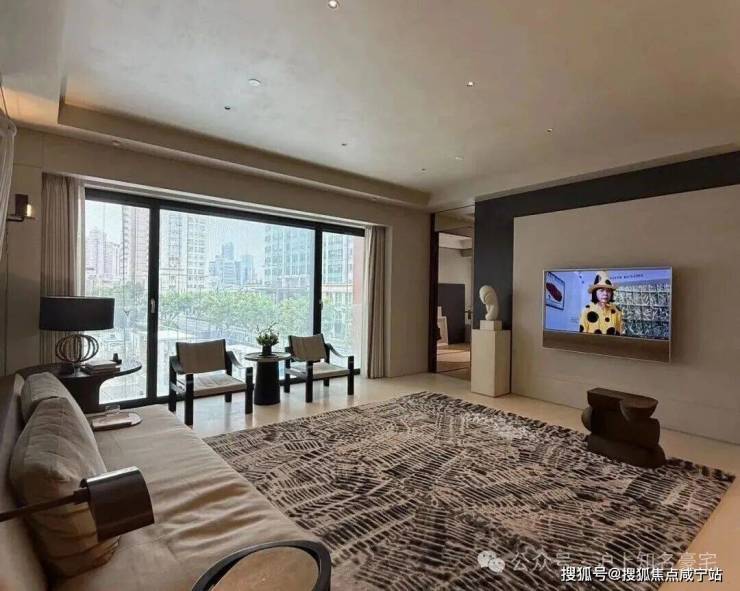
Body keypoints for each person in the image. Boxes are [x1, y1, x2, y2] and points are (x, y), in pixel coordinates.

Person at [579, 271, 623, 335]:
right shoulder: (586, 310)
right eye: (601, 290)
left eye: (608, 291)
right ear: (595, 292)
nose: (605, 294)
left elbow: (619, 334)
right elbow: (582, 336)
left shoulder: (617, 311)